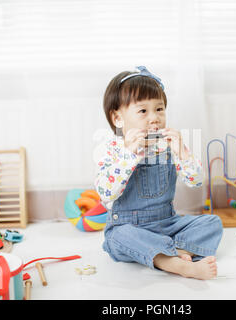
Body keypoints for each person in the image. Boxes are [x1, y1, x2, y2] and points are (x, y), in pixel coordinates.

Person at [95, 66, 223, 280]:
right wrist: (129, 155)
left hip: (167, 224)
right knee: (118, 237)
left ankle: (165, 253)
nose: (154, 118)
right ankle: (176, 261)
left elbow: (196, 182)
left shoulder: (167, 146)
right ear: (118, 118)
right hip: (128, 226)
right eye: (143, 111)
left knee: (212, 223)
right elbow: (106, 193)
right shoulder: (113, 149)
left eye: (159, 109)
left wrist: (182, 153)